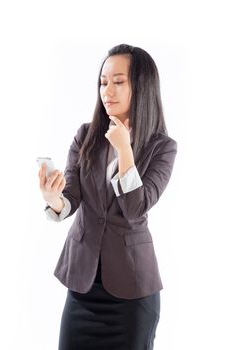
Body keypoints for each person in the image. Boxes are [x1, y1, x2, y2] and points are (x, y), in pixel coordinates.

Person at [38, 43, 177, 350]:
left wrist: (125, 150)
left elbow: (136, 207)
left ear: (141, 86)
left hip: (132, 293)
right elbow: (71, 195)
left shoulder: (161, 147)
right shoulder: (85, 135)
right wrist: (54, 199)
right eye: (103, 82)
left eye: (118, 81)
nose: (107, 91)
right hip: (83, 287)